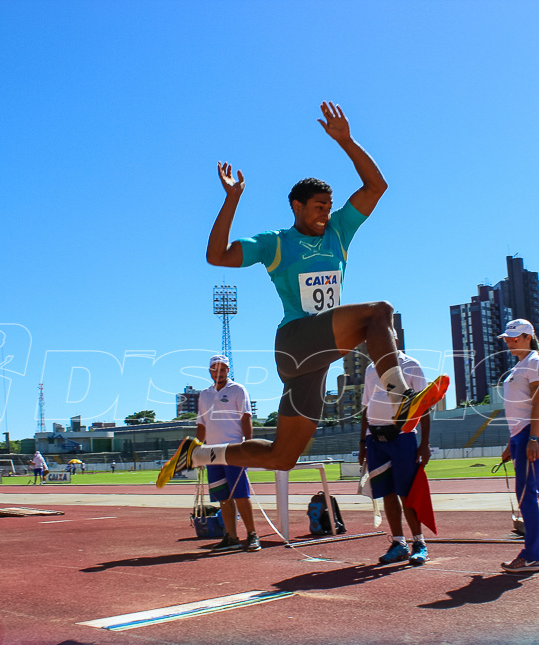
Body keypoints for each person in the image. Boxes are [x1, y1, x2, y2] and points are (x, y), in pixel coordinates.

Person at [157, 102, 448, 486]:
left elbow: (377, 187)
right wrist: (231, 199)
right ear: (296, 206)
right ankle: (400, 396)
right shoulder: (275, 242)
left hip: (318, 359)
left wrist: (347, 141)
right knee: (379, 312)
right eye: (317, 207)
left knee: (283, 456)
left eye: (329, 206)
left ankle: (198, 455)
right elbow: (217, 256)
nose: (325, 213)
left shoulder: (339, 232)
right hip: (296, 341)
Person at [359, 351, 432, 565]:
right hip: (375, 438)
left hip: (402, 437)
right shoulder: (370, 368)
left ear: (393, 339)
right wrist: (363, 441)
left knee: (406, 492)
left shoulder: (410, 364)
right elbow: (367, 405)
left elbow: (424, 404)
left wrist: (425, 444)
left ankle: (419, 543)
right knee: (387, 492)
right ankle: (399, 543)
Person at [497, 319, 539, 573]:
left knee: (526, 494)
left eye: (515, 337)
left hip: (534, 432)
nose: (509, 341)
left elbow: (538, 400)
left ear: (528, 337)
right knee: (532, 493)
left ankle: (532, 555)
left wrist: (532, 437)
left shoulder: (535, 362)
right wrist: (513, 441)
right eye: (507, 337)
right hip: (521, 434)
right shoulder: (519, 365)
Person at [197, 355, 260, 552]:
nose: (219, 373)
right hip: (212, 452)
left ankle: (252, 535)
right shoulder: (204, 394)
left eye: (222, 369)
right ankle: (231, 537)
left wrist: (248, 443)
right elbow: (201, 423)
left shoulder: (238, 390)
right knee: (223, 497)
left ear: (228, 370)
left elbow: (246, 416)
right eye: (215, 369)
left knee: (240, 494)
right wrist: (198, 449)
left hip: (234, 449)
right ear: (209, 371)